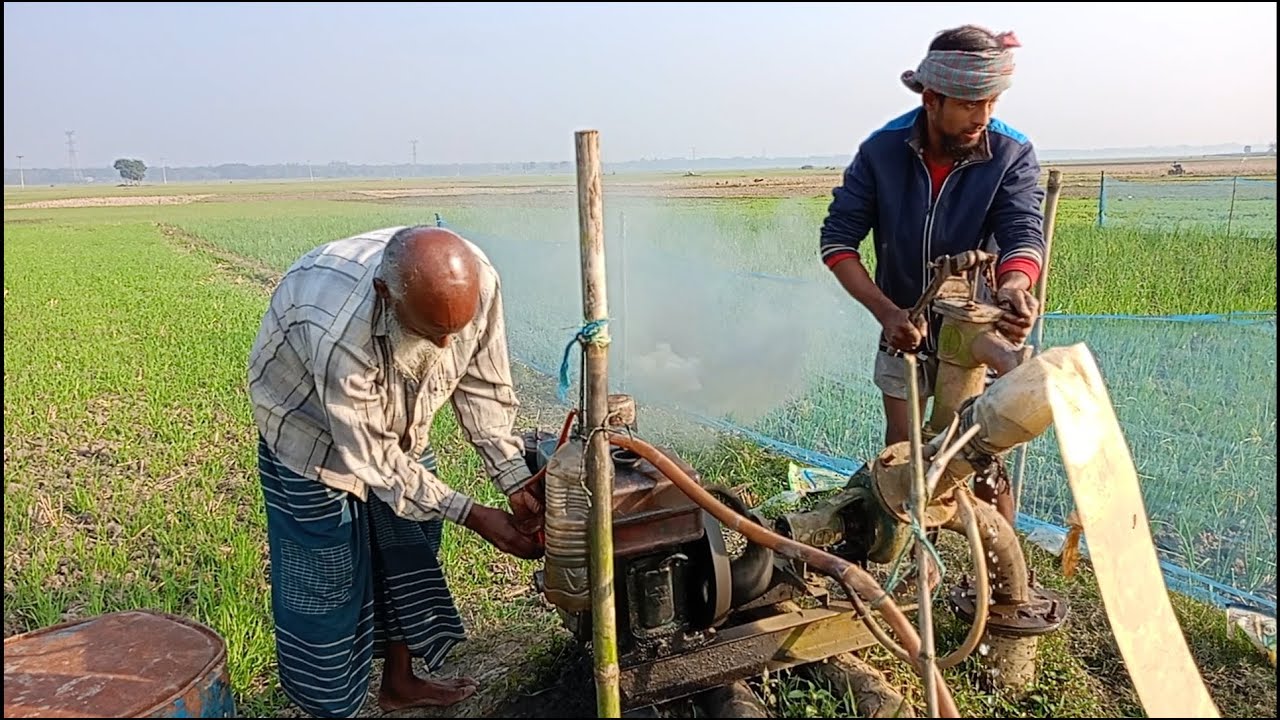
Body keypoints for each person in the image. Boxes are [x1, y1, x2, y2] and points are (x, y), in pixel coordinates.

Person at [246, 224, 547, 717]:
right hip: (307, 430)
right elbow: (375, 461)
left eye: (457, 328)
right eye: (432, 332)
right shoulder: (339, 326)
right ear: (385, 295)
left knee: (410, 547)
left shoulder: (479, 283)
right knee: (326, 579)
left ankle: (400, 684)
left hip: (399, 427)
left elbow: (485, 389)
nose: (448, 345)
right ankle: (332, 708)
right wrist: (474, 515)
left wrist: (515, 480)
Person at [818, 24, 1046, 528]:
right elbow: (837, 242)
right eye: (968, 105)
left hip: (970, 330)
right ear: (931, 98)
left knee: (977, 453)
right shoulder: (882, 151)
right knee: (903, 453)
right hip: (903, 324)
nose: (981, 118)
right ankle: (913, 561)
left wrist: (1013, 286)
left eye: (990, 103)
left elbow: (1022, 230)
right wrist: (887, 312)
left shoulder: (1010, 153)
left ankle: (1004, 581)